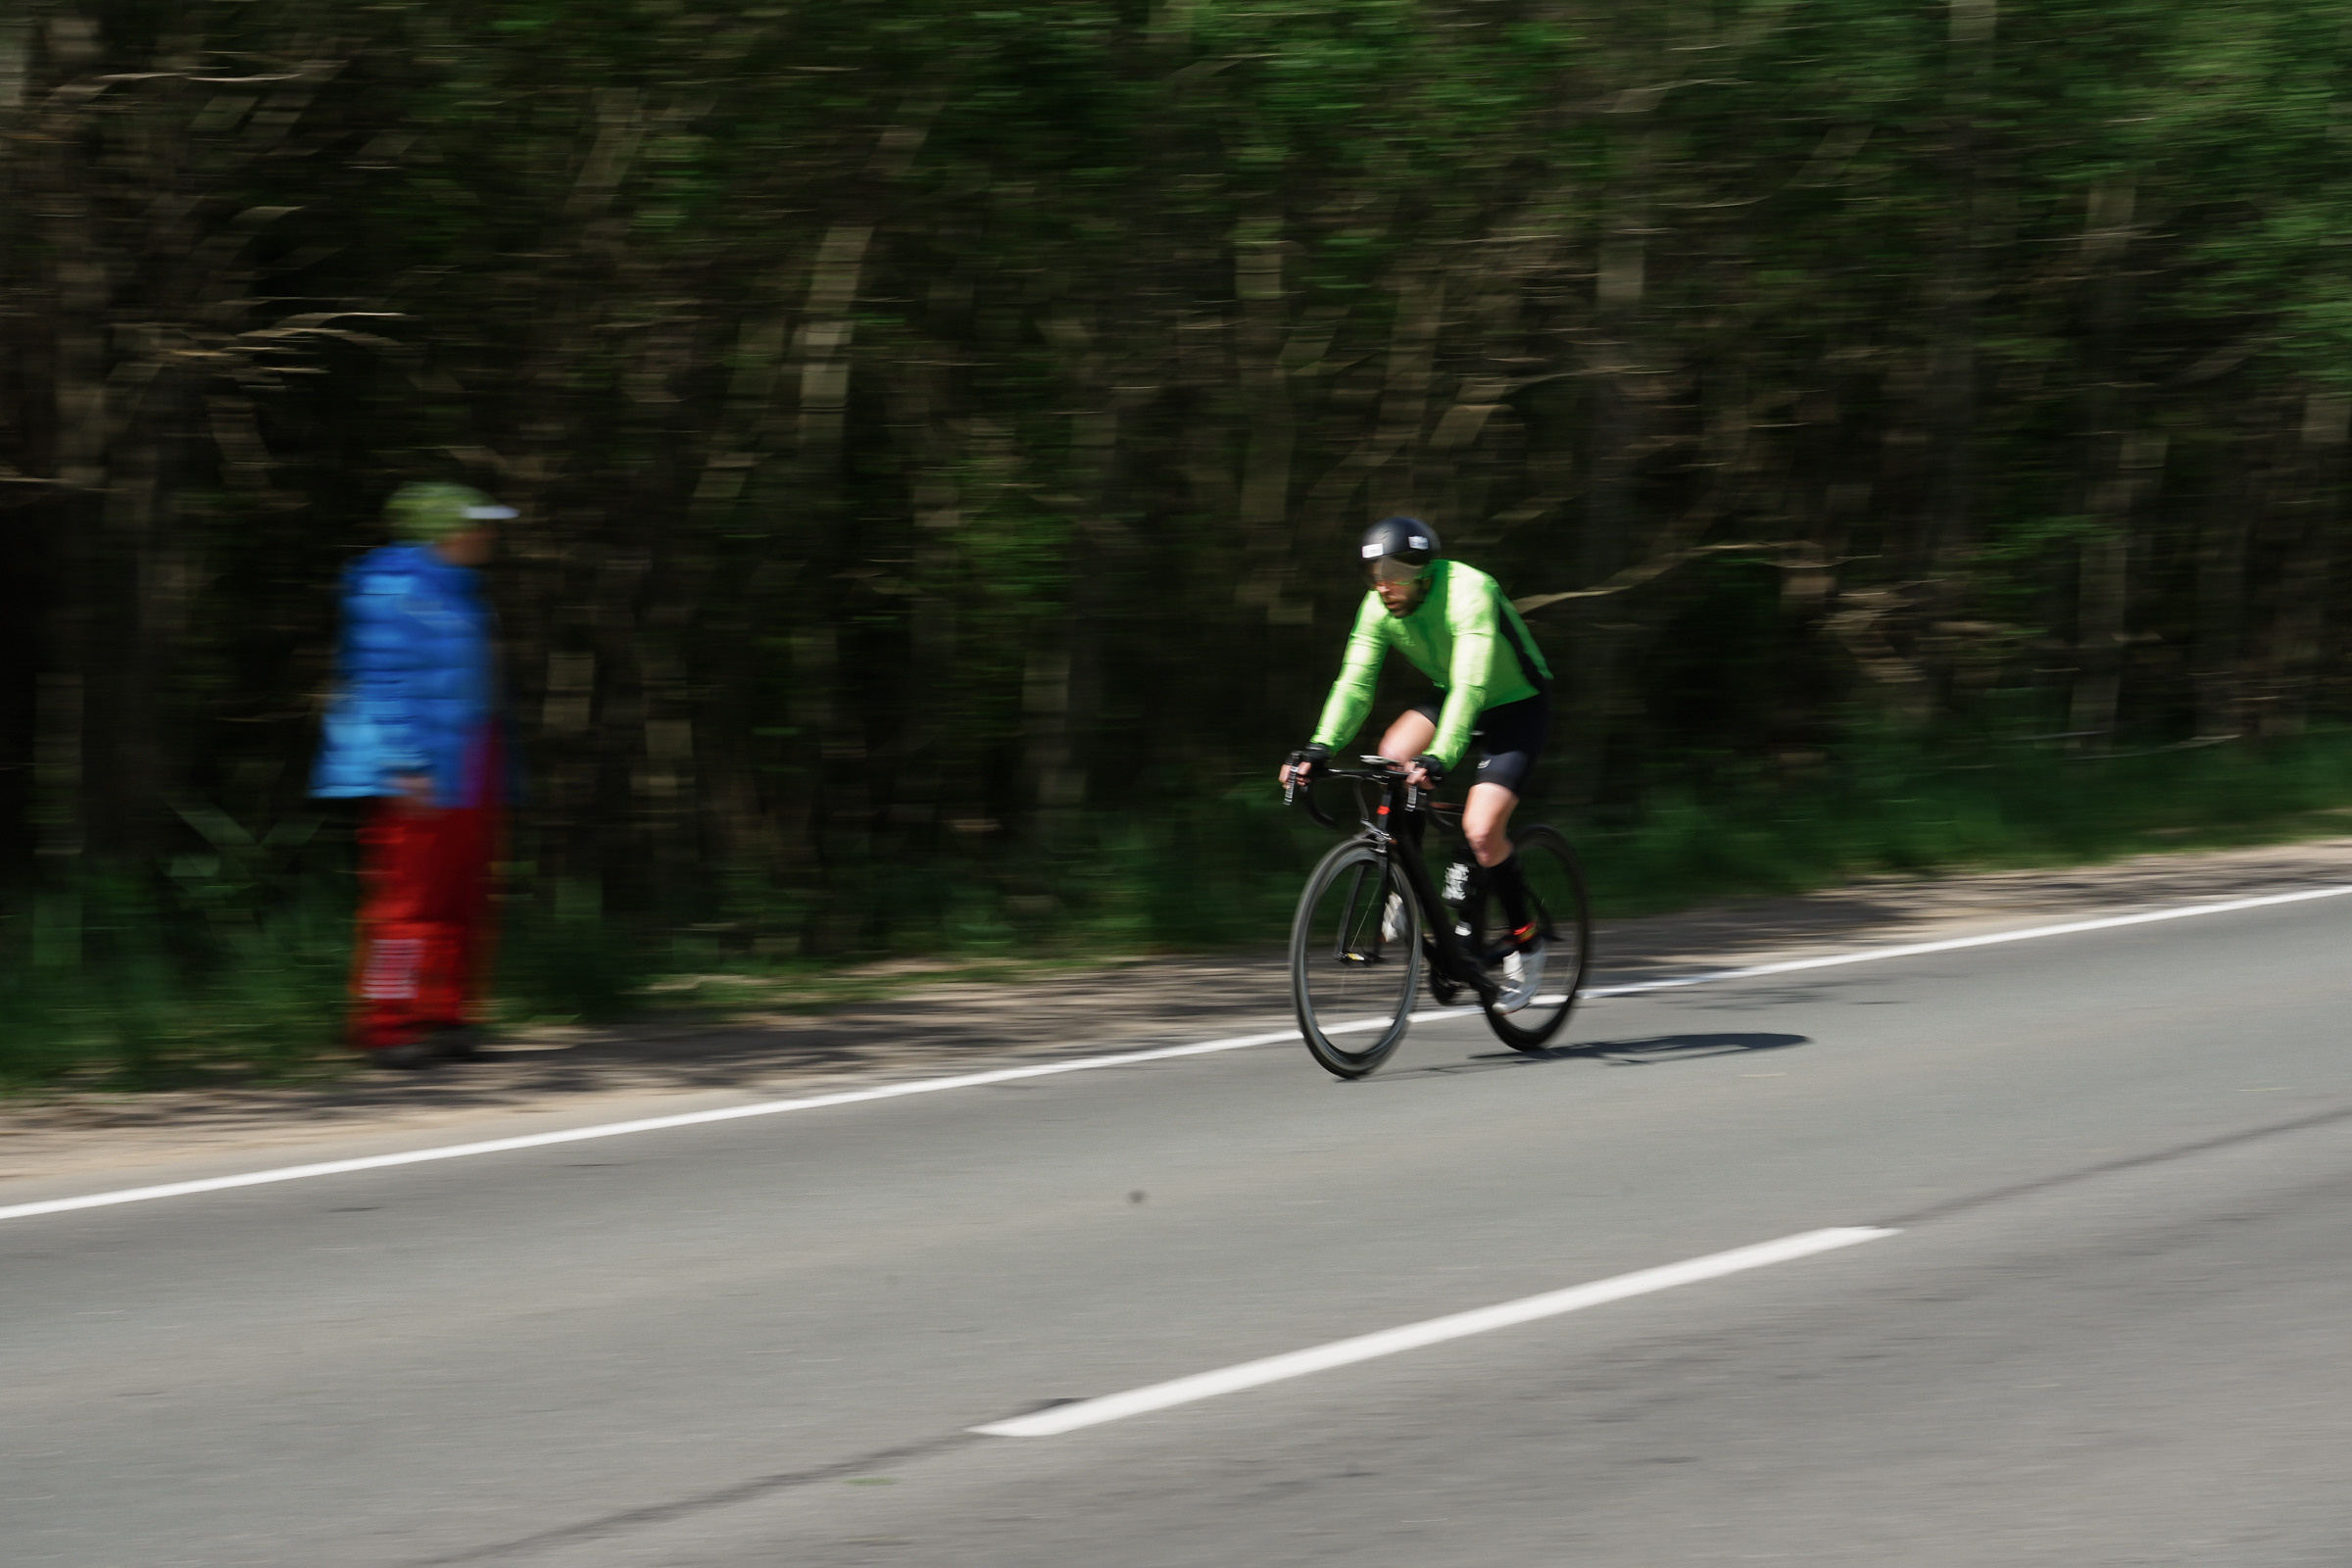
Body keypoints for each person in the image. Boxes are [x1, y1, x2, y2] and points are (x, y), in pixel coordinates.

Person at [1279, 516, 1554, 964]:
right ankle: (1403, 890)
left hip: (1514, 703)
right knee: (1391, 757)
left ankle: (1527, 941)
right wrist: (1319, 746)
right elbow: (1354, 685)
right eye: (1373, 576)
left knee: (1483, 832)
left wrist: (1440, 756)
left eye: (1394, 575)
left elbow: (1471, 685)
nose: (1383, 586)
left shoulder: (1470, 592)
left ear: (1423, 572)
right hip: (1452, 693)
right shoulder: (1377, 608)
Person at [311, 482, 516, 1068]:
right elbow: (380, 681)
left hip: (473, 758)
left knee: (464, 896)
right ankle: (385, 1022)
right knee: (406, 905)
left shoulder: (460, 589)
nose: (489, 533)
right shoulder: (393, 586)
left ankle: (447, 1015)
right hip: (420, 768)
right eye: (478, 523)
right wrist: (407, 762)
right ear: (443, 528)